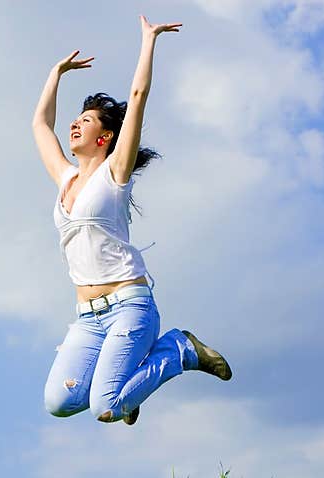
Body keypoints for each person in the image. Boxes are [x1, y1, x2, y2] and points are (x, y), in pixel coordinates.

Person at [32, 15, 232, 426]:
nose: (75, 123)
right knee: (58, 403)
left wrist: (149, 41)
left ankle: (180, 350)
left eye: (85, 121)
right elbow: (40, 125)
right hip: (88, 317)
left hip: (129, 307)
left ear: (104, 139)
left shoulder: (114, 175)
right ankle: (128, 383)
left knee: (106, 406)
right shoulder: (66, 178)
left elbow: (138, 95)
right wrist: (55, 73)